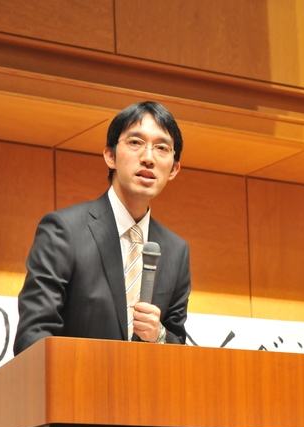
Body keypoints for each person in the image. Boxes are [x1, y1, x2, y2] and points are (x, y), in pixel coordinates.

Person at [13, 101, 190, 355]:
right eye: (135, 142)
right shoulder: (64, 231)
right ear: (110, 156)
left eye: (162, 148)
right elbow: (33, 336)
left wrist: (158, 335)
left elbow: (178, 347)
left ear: (173, 169)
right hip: (75, 379)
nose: (148, 158)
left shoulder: (176, 251)